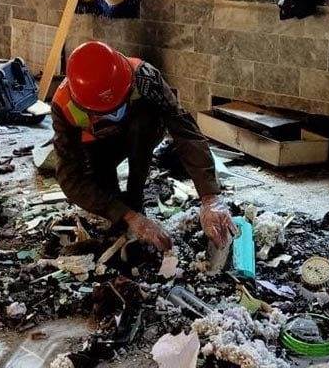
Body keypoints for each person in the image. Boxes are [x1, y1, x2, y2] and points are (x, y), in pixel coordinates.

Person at [51, 41, 237, 252]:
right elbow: (70, 176)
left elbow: (185, 131)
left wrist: (210, 196)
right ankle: (126, 212)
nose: (112, 113)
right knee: (106, 196)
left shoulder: (144, 76)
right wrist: (128, 215)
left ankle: (136, 195)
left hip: (140, 135)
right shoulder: (62, 105)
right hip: (96, 148)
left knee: (145, 123)